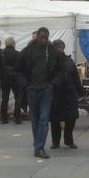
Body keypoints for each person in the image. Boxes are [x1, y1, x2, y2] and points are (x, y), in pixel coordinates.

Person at [16, 27, 62, 159]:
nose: (44, 40)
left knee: (43, 119)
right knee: (35, 120)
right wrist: (26, 85)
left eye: (46, 38)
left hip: (46, 90)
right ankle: (38, 145)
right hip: (32, 90)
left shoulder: (52, 52)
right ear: (37, 37)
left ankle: (39, 147)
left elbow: (60, 71)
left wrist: (52, 84)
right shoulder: (27, 52)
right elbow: (17, 71)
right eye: (42, 37)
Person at [50, 39, 84, 149]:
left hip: (69, 94)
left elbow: (76, 78)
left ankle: (68, 140)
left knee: (71, 119)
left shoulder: (69, 61)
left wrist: (80, 91)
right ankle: (56, 142)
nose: (59, 48)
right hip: (56, 94)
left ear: (63, 47)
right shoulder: (50, 61)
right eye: (57, 46)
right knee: (55, 120)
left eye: (61, 46)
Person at [0, 37, 21, 124]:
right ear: (13, 44)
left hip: (4, 78)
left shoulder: (1, 53)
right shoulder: (17, 54)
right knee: (17, 98)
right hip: (15, 78)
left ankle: (4, 117)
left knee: (5, 98)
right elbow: (20, 66)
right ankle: (17, 117)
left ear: (5, 44)